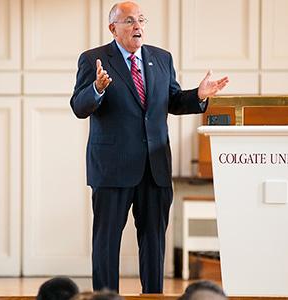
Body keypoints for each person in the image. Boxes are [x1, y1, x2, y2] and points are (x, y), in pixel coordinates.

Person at [70, 1, 229, 293]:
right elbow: (79, 107)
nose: (137, 26)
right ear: (113, 28)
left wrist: (199, 95)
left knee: (154, 242)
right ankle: (106, 299)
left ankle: (153, 297)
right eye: (129, 21)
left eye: (141, 20)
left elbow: (173, 101)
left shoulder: (161, 58)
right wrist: (98, 88)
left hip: (154, 169)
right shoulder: (93, 59)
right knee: (106, 243)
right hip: (112, 168)